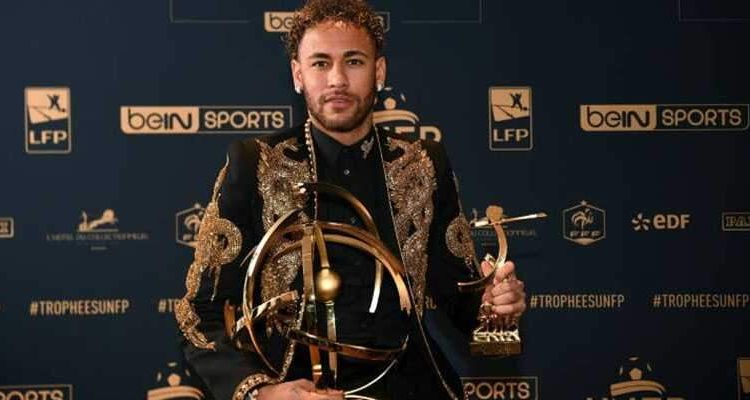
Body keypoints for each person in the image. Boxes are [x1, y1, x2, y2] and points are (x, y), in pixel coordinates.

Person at [175, 1, 527, 399]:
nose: (337, 80)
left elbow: (462, 301)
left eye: (354, 62)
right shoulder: (256, 164)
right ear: (298, 75)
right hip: (297, 388)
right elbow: (198, 314)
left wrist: (495, 307)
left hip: (410, 385)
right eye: (320, 63)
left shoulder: (424, 164)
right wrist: (264, 392)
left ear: (379, 72)